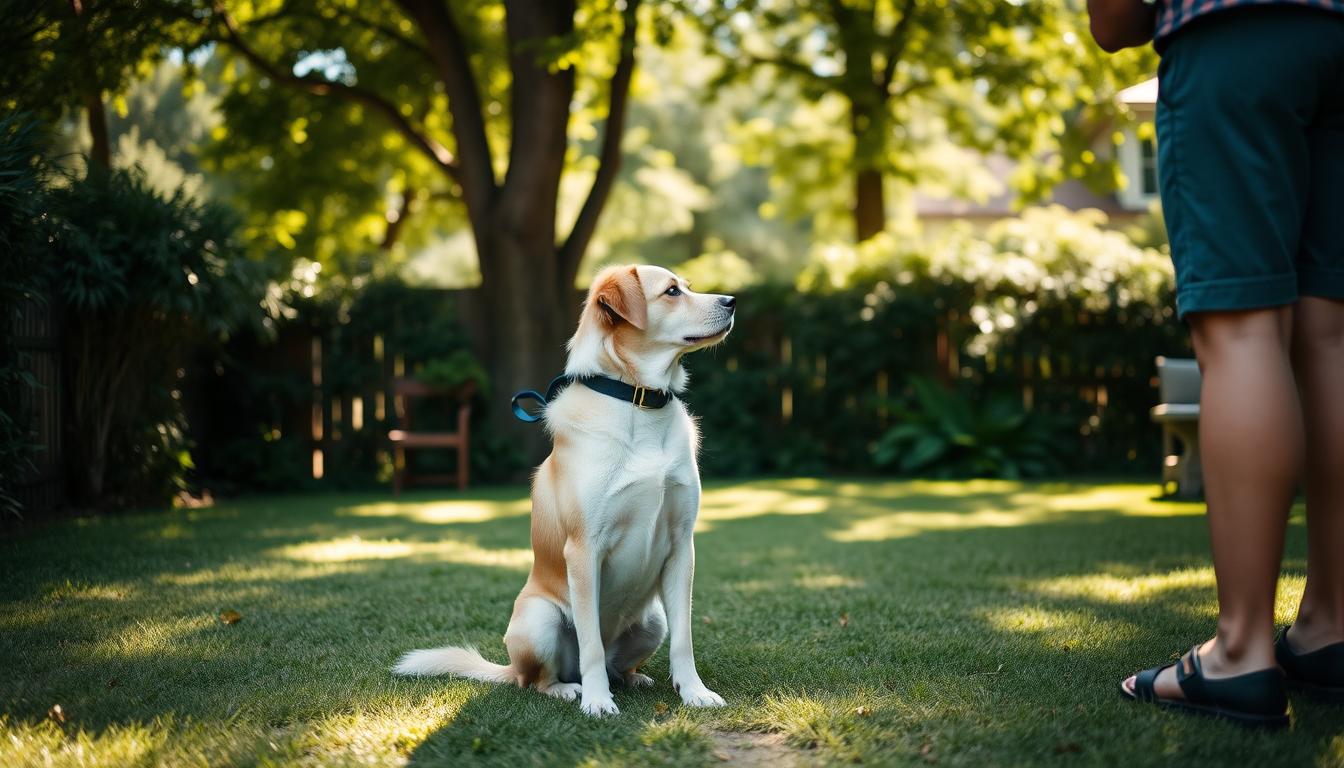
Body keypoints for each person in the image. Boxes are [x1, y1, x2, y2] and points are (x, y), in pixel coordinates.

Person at [1088, 0, 1344, 728]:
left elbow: (1115, 21)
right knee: (1333, 335)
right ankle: (1330, 627)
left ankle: (1240, 652)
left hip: (1235, 37)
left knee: (1242, 333)